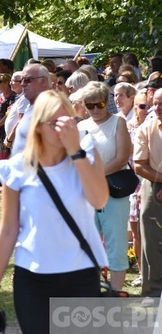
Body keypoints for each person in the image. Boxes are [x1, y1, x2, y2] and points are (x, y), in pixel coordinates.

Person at [0, 90, 109, 333]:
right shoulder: (18, 168)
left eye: (68, 121)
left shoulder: (85, 153)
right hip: (33, 277)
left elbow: (99, 201)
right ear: (38, 126)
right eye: (54, 123)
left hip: (81, 273)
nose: (62, 129)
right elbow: (8, 229)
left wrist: (76, 152)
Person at [77, 81, 131, 291]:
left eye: (99, 104)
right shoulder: (81, 126)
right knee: (87, 246)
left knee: (116, 244)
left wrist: (95, 176)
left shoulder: (118, 122)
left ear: (106, 102)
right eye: (89, 106)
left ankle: (115, 294)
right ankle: (90, 291)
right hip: (87, 194)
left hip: (113, 194)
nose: (95, 110)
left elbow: (121, 158)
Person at [133, 88, 162, 299]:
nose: (157, 109)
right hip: (153, 184)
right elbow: (139, 166)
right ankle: (152, 292)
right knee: (151, 241)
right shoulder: (147, 128)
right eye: (156, 104)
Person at [127, 90, 147, 287]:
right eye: (142, 106)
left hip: (152, 181)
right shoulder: (129, 128)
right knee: (136, 231)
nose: (146, 110)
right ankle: (142, 272)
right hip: (134, 183)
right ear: (135, 107)